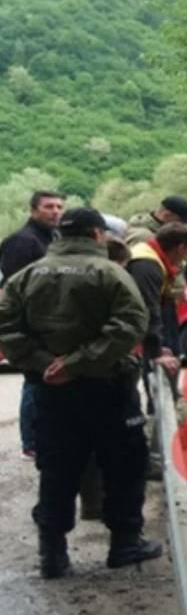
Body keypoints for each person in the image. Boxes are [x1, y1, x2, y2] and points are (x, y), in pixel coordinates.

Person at [0, 207, 161, 577]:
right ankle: (125, 544)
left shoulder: (26, 277)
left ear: (61, 235)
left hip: (52, 390)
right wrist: (79, 361)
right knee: (125, 466)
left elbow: (5, 324)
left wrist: (45, 363)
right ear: (97, 235)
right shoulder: (111, 274)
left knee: (57, 469)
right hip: (107, 389)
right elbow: (130, 324)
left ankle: (52, 556)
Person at [1, 190, 65, 460]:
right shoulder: (21, 241)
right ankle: (31, 441)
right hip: (30, 323)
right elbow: (16, 287)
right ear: (33, 210)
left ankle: (43, 437)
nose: (55, 211)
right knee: (34, 381)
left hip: (50, 321)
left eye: (60, 206)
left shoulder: (54, 237)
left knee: (44, 382)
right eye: (49, 206)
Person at [125, 223, 187, 376]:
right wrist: (155, 352)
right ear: (181, 248)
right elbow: (149, 310)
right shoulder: (147, 265)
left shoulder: (148, 253)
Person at [122, 195, 187, 247]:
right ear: (166, 215)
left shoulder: (157, 235)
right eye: (180, 222)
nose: (181, 226)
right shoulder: (144, 237)